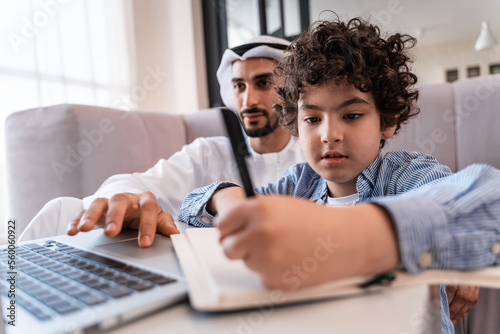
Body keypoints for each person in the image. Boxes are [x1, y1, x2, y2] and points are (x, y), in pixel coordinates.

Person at [178, 17, 500, 333]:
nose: (328, 134)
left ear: (386, 120)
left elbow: (490, 201)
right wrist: (231, 202)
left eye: (352, 115)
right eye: (312, 119)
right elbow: (192, 204)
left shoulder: (407, 175)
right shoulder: (298, 184)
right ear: (295, 122)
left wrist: (362, 234)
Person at [19, 35, 305, 246]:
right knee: (63, 210)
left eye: (264, 83)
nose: (248, 100)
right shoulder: (207, 153)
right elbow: (135, 185)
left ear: (290, 89)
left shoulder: (317, 155)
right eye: (239, 86)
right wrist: (129, 199)